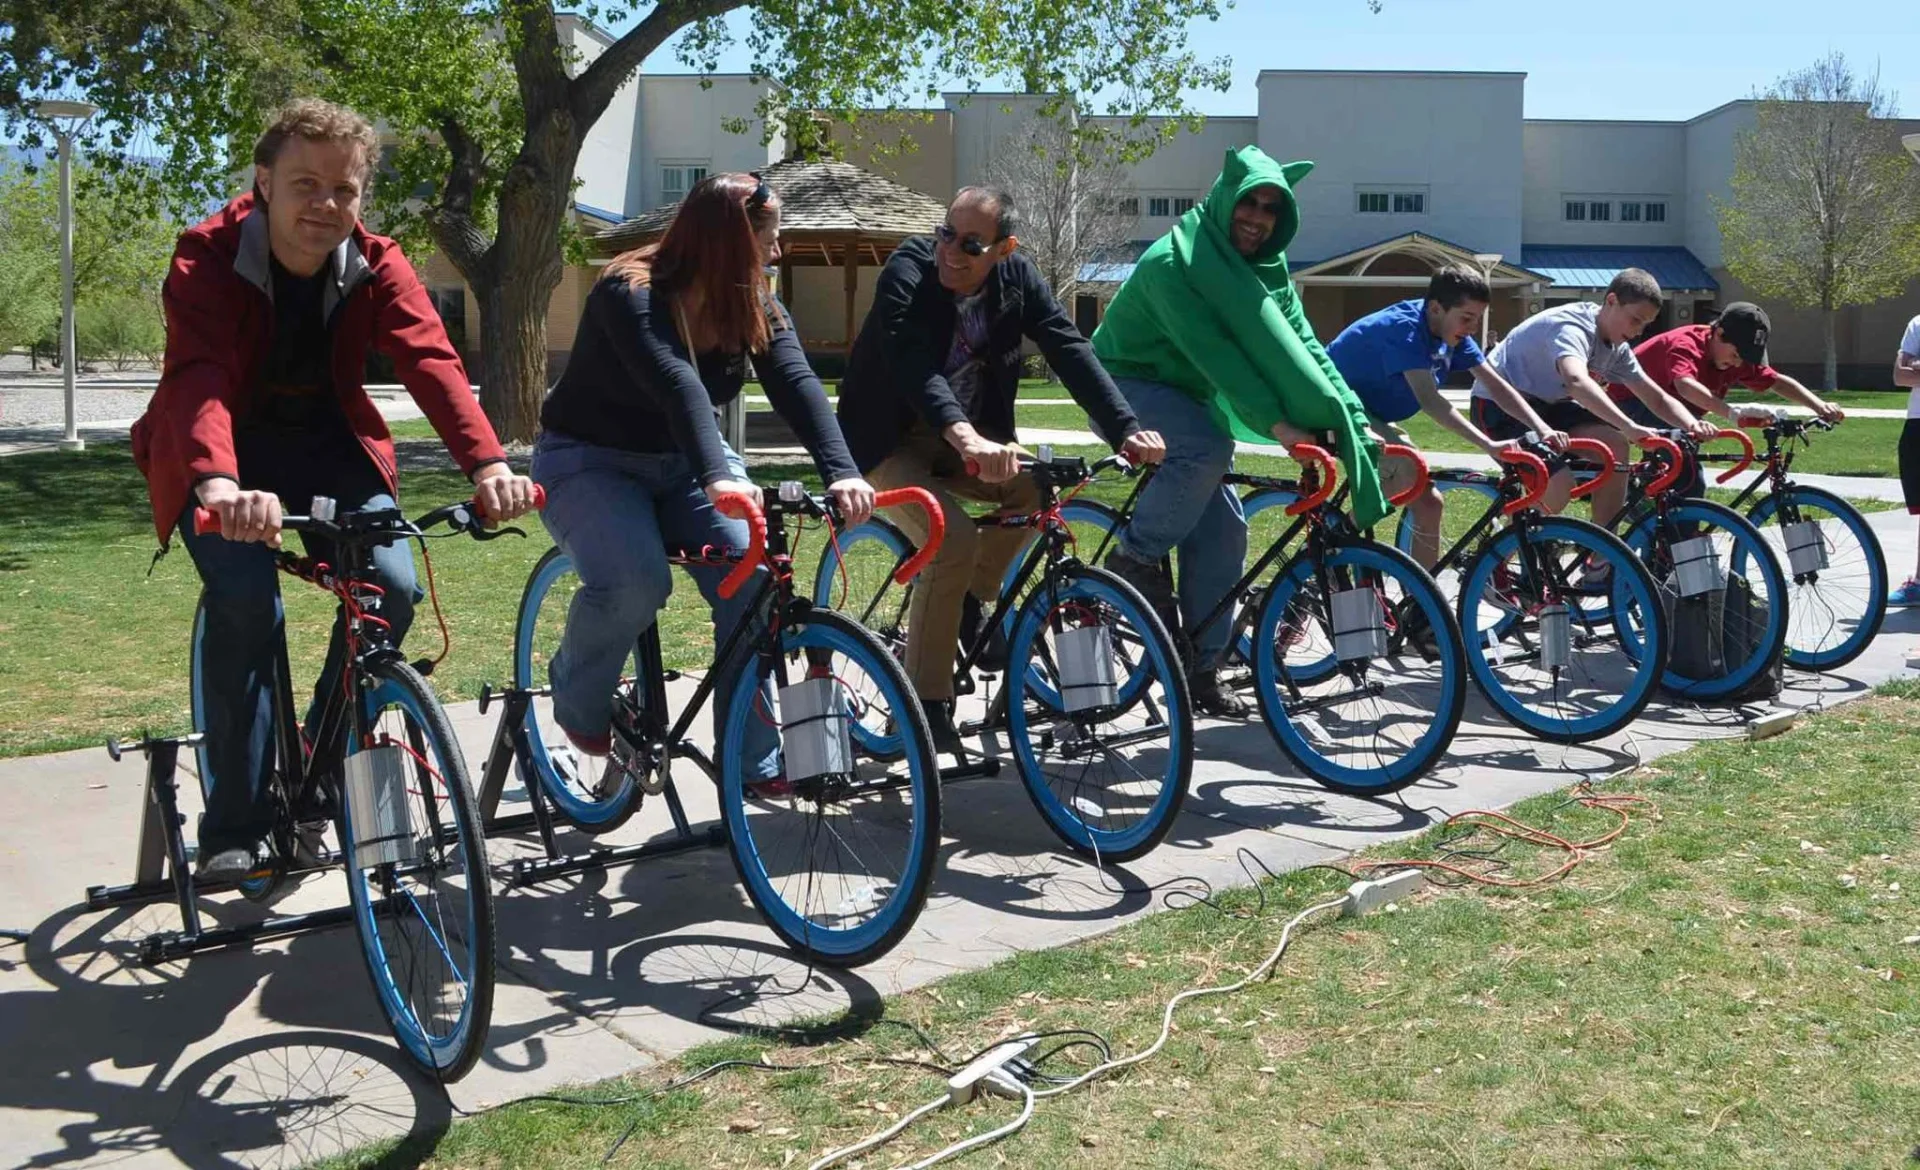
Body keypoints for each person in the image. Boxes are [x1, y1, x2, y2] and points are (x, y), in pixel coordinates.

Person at [131, 98, 538, 881]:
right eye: (305, 184)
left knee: (390, 586)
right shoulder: (207, 256)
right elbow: (199, 375)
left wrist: (487, 465)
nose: (326, 206)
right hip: (221, 455)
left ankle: (321, 757)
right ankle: (235, 824)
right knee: (248, 599)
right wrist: (218, 484)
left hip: (329, 450)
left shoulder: (377, 263)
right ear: (262, 182)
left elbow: (433, 362)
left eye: (344, 190)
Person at [534, 172, 876, 787]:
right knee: (636, 582)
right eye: (767, 239)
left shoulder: (756, 303)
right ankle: (574, 696)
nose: (776, 253)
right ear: (724, 243)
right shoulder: (628, 291)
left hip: (687, 463)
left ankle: (751, 760)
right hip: (589, 459)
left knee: (755, 577)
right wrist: (719, 475)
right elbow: (675, 381)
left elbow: (797, 385)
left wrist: (843, 472)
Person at [837, 185, 1166, 748]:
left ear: (1004, 248)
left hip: (976, 439)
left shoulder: (1019, 279)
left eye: (970, 243)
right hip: (891, 439)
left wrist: (1125, 428)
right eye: (946, 234)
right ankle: (927, 705)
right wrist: (965, 437)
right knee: (950, 539)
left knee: (1035, 496)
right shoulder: (908, 270)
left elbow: (1068, 346)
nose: (951, 252)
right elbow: (913, 364)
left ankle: (968, 599)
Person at [1089, 145, 1386, 714]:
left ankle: (1200, 669)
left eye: (1271, 208)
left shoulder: (1264, 270)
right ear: (1225, 197)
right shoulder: (1175, 262)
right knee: (1205, 447)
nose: (1256, 217)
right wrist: (1280, 428)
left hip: (1185, 392)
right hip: (1121, 381)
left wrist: (1350, 417)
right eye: (1247, 201)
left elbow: (1306, 349)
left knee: (1225, 530)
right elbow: (1218, 358)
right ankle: (1133, 557)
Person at [1467, 269, 1718, 531]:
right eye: (1635, 320)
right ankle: (1500, 553)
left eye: (1646, 324)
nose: (1638, 331)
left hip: (1548, 406)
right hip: (1497, 405)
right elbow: (1577, 382)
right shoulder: (1572, 326)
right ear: (1611, 301)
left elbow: (1655, 397)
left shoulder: (1617, 347)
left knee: (1615, 446)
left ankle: (1601, 558)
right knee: (1557, 485)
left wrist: (1692, 425)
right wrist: (1630, 426)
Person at [1325, 265, 1526, 569]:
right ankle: (1332, 539)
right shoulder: (1405, 330)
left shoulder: (1450, 330)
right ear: (1435, 308)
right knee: (1406, 469)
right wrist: (1489, 445)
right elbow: (1431, 402)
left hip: (1370, 412)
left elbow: (1495, 384)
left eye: (1477, 319)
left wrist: (1542, 427)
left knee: (1430, 503)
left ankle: (1421, 606)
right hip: (1334, 407)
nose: (1473, 328)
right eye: (1467, 318)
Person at [1893, 312, 1920, 606]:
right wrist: (1910, 366)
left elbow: (1911, 369)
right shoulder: (1917, 324)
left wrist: (1918, 365)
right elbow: (1900, 375)